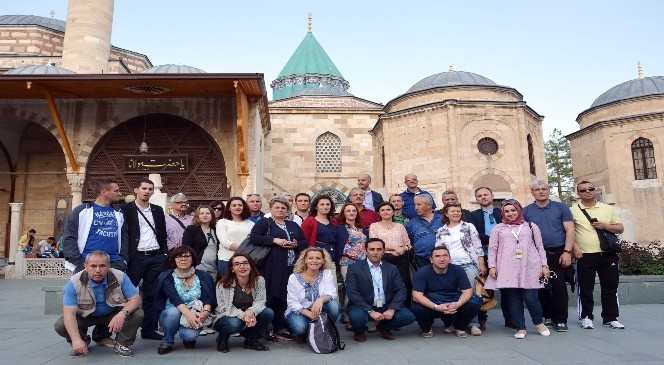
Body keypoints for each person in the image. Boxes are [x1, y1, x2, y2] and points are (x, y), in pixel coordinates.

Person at [54, 251, 143, 357]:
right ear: (85, 266)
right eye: (93, 266)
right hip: (86, 316)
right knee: (61, 324)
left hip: (111, 314)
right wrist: (76, 340)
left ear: (109, 266)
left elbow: (136, 299)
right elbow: (69, 314)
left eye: (102, 266)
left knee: (138, 313)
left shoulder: (120, 276)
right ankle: (82, 341)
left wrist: (122, 314)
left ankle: (122, 343)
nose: (98, 270)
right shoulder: (74, 282)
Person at [485, 200, 550, 339]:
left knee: (531, 298)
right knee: (513, 299)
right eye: (507, 211)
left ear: (519, 210)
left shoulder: (531, 226)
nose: (510, 213)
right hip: (507, 267)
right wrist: (492, 266)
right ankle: (520, 327)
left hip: (530, 266)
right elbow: (492, 249)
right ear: (503, 213)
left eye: (513, 210)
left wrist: (544, 265)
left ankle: (539, 323)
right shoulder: (498, 228)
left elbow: (540, 247)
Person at [523, 180, 577, 332]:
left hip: (558, 252)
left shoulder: (561, 208)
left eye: (544, 189)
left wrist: (567, 252)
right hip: (536, 255)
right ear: (532, 192)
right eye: (537, 189)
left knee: (559, 286)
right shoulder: (526, 211)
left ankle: (560, 319)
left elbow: (570, 230)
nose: (541, 191)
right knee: (541, 287)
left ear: (548, 190)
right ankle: (546, 316)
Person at [248, 196, 306, 338]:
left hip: (291, 267)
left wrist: (296, 244)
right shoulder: (265, 223)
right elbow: (254, 238)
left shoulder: (293, 225)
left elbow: (304, 241)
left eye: (283, 208)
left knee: (285, 296)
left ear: (287, 211)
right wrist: (274, 240)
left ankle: (281, 326)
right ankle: (267, 327)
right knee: (271, 295)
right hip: (271, 266)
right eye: (277, 207)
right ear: (271, 209)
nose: (280, 210)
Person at [571, 180, 625, 330]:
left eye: (590, 189)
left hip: (608, 254)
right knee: (585, 288)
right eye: (583, 190)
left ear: (595, 191)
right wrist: (575, 248)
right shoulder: (572, 210)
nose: (587, 191)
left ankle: (611, 318)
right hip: (585, 255)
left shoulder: (607, 208)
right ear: (578, 194)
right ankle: (586, 317)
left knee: (610, 287)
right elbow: (569, 232)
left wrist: (605, 226)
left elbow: (620, 228)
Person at [121, 178, 169, 340]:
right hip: (136, 257)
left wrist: (163, 253)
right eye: (144, 188)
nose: (147, 191)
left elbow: (162, 233)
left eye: (150, 189)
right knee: (124, 294)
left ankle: (149, 330)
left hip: (156, 257)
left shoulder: (157, 210)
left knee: (152, 295)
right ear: (136, 190)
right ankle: (115, 329)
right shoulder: (125, 210)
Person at [345, 238, 415, 342]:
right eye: (372, 249)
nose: (375, 252)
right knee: (357, 317)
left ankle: (384, 327)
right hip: (364, 305)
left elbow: (401, 290)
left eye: (379, 249)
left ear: (383, 251)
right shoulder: (354, 268)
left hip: (386, 305)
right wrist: (370, 310)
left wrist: (392, 309)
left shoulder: (392, 268)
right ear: (366, 250)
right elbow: (352, 292)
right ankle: (359, 331)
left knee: (408, 316)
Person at [435, 202, 486, 335]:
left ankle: (474, 324)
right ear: (446, 214)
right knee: (453, 295)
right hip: (449, 267)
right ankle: (455, 323)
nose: (456, 213)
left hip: (468, 265)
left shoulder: (468, 226)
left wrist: (481, 263)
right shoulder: (441, 230)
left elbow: (478, 246)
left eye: (458, 211)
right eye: (453, 211)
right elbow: (438, 250)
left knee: (471, 296)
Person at [154, 246, 216, 354]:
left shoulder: (203, 275)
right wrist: (189, 315)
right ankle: (167, 340)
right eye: (178, 256)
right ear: (174, 259)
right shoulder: (167, 276)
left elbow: (208, 297)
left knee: (189, 336)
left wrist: (205, 313)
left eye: (187, 256)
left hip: (194, 310)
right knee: (173, 312)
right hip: (172, 311)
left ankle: (187, 338)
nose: (183, 259)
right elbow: (175, 299)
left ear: (193, 259)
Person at [411, 246, 480, 338]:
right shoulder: (422, 272)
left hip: (453, 302)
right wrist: (436, 307)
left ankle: (460, 327)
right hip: (433, 303)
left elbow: (467, 291)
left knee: (475, 301)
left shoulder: (458, 270)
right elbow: (416, 295)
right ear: (431, 259)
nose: (442, 259)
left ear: (450, 259)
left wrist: (458, 304)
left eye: (445, 256)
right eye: (437, 256)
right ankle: (426, 328)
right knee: (417, 307)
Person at [63, 179, 127, 272]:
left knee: (114, 287)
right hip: (87, 263)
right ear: (104, 191)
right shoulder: (81, 211)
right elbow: (69, 237)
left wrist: (123, 260)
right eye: (116, 191)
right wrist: (78, 261)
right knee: (85, 287)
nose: (120, 193)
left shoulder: (119, 213)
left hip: (114, 263)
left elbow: (124, 237)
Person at [214, 253, 273, 352]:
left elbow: (260, 301)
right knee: (235, 323)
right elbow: (224, 307)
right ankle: (222, 339)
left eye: (245, 263)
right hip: (227, 315)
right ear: (232, 269)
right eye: (237, 264)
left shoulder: (259, 280)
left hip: (249, 314)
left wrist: (251, 311)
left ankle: (251, 340)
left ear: (250, 266)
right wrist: (244, 315)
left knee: (268, 313)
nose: (242, 266)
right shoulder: (223, 284)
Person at [468, 186, 507, 329]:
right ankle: (481, 318)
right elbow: (475, 235)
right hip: (484, 253)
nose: (483, 197)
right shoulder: (473, 216)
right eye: (479, 196)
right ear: (477, 199)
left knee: (507, 287)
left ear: (492, 196)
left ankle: (511, 319)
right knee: (483, 287)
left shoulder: (502, 212)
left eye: (486, 194)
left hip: (504, 252)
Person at [285, 248, 339, 338]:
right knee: (300, 328)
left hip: (319, 309)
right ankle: (306, 331)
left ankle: (326, 328)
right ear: (305, 260)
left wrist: (320, 300)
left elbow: (332, 293)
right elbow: (292, 303)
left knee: (333, 305)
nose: (314, 261)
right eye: (310, 258)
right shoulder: (293, 277)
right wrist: (309, 314)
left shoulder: (327, 274)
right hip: (299, 311)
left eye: (318, 258)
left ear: (323, 261)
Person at [369, 202, 412, 303]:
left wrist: (402, 249)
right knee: (385, 284)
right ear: (379, 213)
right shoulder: (374, 226)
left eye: (388, 209)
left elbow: (408, 244)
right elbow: (375, 243)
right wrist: (394, 248)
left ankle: (404, 306)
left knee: (403, 283)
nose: (385, 212)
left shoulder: (400, 226)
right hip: (383, 259)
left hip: (401, 258)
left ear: (393, 212)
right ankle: (385, 307)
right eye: (382, 210)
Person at [216, 197, 254, 277]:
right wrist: (245, 249)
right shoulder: (222, 222)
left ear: (244, 207)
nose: (237, 207)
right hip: (227, 260)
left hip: (246, 261)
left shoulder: (251, 224)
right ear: (229, 208)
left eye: (240, 205)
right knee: (228, 286)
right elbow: (225, 242)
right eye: (234, 205)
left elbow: (253, 241)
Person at [301, 195, 343, 266]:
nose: (325, 207)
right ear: (316, 207)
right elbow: (303, 242)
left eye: (327, 204)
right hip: (316, 259)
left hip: (332, 257)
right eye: (322, 204)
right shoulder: (310, 221)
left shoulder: (334, 222)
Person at [406, 194, 443, 268]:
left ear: (429, 205)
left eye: (419, 204)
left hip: (442, 259)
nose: (416, 208)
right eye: (415, 205)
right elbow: (410, 241)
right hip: (422, 261)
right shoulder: (411, 223)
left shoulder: (443, 219)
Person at [182, 206, 219, 278]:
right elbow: (186, 248)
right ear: (198, 216)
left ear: (212, 215)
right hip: (198, 267)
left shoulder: (216, 230)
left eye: (208, 213)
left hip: (214, 268)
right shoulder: (191, 229)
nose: (205, 215)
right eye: (202, 213)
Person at [335, 203, 367, 280]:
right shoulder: (340, 228)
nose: (351, 213)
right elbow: (339, 247)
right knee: (350, 287)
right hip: (348, 263)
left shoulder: (361, 228)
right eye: (348, 211)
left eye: (354, 211)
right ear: (344, 213)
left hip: (363, 263)